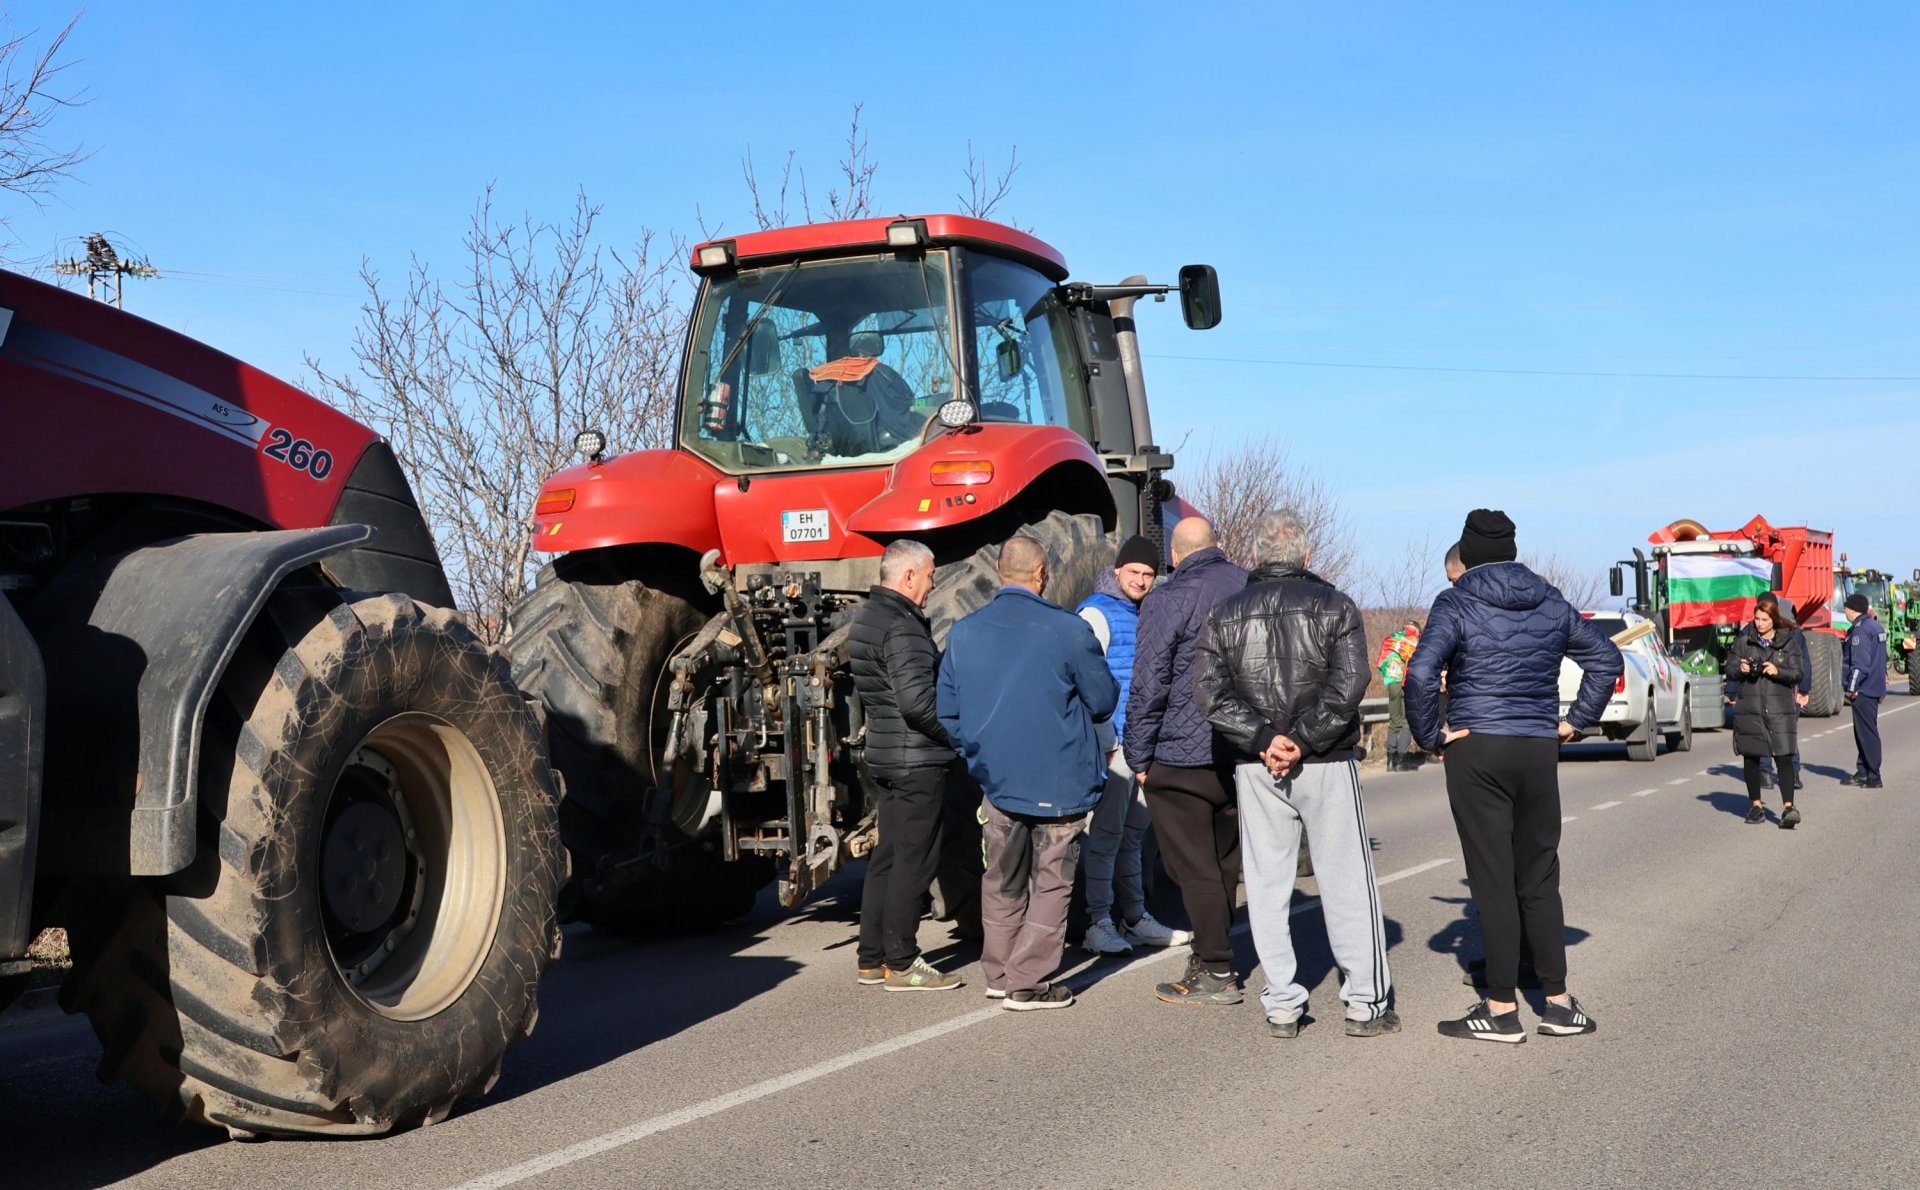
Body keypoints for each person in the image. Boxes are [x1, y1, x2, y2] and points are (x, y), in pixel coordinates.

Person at [1406, 509, 1621, 1043]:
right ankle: (1560, 1003)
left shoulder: (1456, 601)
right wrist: (1574, 722)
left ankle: (1501, 1009)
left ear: (1468, 552)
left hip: (1478, 747)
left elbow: (1419, 671)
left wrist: (1432, 734)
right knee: (1540, 873)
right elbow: (1606, 658)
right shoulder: (1549, 599)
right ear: (1511, 550)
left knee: (1492, 877)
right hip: (1535, 746)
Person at [1193, 509, 1398, 1038]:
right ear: (1307, 557)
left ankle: (1282, 1003)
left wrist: (1265, 741)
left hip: (1256, 765)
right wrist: (1302, 740)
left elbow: (1210, 694)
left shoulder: (1224, 613)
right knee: (1347, 881)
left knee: (1265, 884)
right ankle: (1365, 1003)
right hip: (1325, 760)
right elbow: (1351, 683)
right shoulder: (1335, 604)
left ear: (1255, 558)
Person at [937, 535, 1117, 1010]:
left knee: (1001, 877)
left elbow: (948, 713)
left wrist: (980, 757)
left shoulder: (963, 633)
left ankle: (999, 972)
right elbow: (1102, 702)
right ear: (1041, 574)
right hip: (1060, 780)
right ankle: (1028, 982)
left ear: (1000, 572)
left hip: (996, 781)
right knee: (1053, 880)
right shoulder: (1068, 630)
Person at [1122, 517, 1250, 1006]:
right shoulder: (1249, 586)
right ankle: (1212, 952)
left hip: (1181, 753)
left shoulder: (1169, 596)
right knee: (1223, 863)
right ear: (1217, 545)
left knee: (1192, 867)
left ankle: (1216, 969)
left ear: (1175, 554)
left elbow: (1149, 683)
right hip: (1242, 750)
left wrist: (1140, 754)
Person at [848, 540, 963, 991]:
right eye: (931, 574)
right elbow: (918, 705)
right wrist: (958, 737)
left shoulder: (867, 620)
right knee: (914, 861)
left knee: (887, 857)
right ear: (909, 575)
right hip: (917, 760)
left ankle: (871, 958)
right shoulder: (903, 626)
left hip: (885, 756)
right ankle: (902, 960)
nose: (934, 584)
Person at [1076, 535, 1194, 955]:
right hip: (1115, 747)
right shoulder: (1095, 612)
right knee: (1105, 837)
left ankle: (1135, 917)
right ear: (1118, 570)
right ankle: (1098, 922)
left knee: (1133, 837)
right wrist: (1107, 743)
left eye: (1148, 574)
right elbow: (1087, 685)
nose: (1142, 581)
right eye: (1135, 572)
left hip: (1145, 745)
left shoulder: (1147, 611)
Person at [1726, 593, 1805, 825]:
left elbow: (1798, 673)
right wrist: (1740, 669)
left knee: (1783, 756)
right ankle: (1756, 807)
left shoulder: (1788, 642)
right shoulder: (1744, 640)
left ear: (1774, 619)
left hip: (1779, 707)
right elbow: (1729, 669)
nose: (1759, 624)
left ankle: (1789, 808)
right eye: (1756, 619)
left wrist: (1777, 671)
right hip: (1750, 706)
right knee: (1751, 757)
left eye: (1764, 619)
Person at [1841, 591, 1887, 788]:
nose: (1844, 611)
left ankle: (1874, 776)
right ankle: (1863, 771)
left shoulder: (1860, 630)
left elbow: (1860, 664)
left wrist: (1852, 688)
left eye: (1846, 608)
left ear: (1852, 610)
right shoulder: (1876, 626)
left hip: (1864, 690)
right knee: (1863, 732)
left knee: (1867, 733)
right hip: (1875, 687)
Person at [1378, 621, 1422, 771]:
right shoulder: (1414, 641)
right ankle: (1402, 762)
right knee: (1406, 721)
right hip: (1406, 682)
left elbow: (1383, 658)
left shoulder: (1392, 639)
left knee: (1393, 720)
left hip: (1392, 682)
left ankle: (1390, 761)